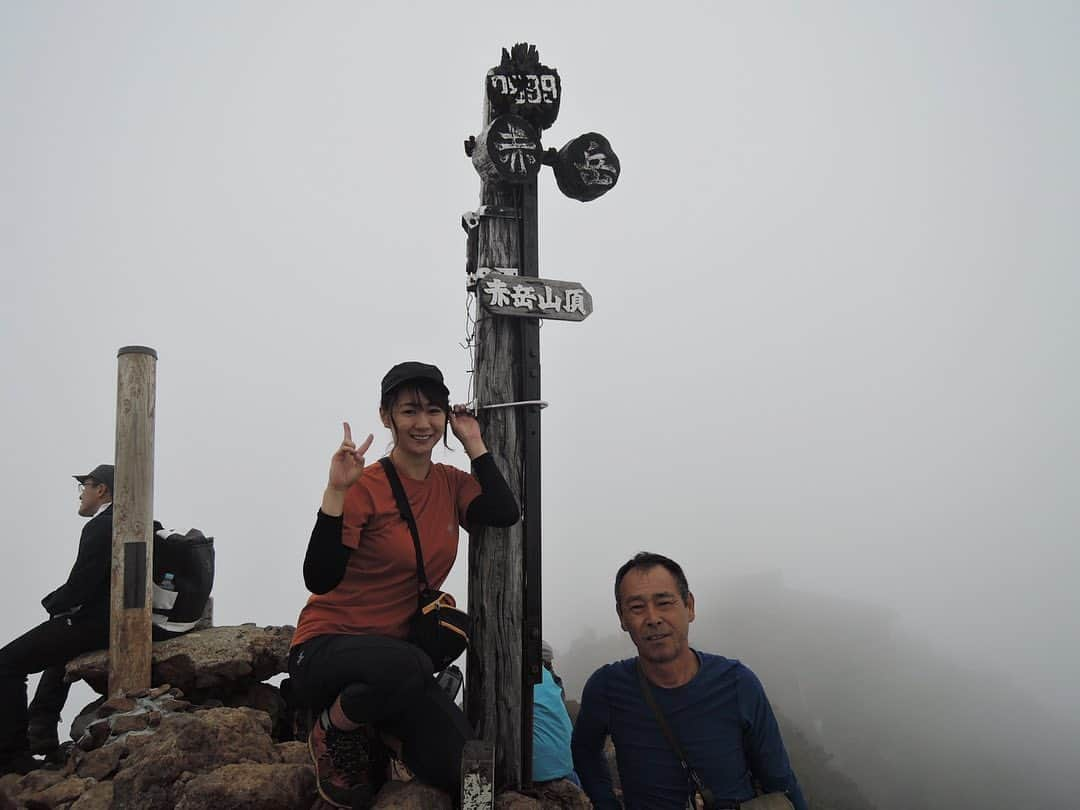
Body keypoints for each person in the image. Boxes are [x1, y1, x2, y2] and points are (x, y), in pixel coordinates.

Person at [287, 361, 519, 809]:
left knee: (475, 773)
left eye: (434, 411)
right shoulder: (365, 485)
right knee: (408, 666)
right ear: (385, 416)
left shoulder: (450, 484)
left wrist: (473, 440)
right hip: (324, 651)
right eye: (410, 410)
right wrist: (336, 492)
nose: (423, 423)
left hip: (397, 669)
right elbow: (318, 577)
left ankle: (378, 726)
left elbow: (503, 512)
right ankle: (331, 729)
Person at [571, 552, 808, 810]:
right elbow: (585, 751)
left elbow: (779, 779)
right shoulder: (606, 688)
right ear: (622, 618)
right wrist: (606, 803)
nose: (652, 618)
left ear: (689, 606)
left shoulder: (738, 683)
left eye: (664, 602)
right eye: (637, 608)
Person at [0, 464, 116, 775]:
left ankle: (12, 757)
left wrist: (52, 602)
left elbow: (80, 587)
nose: (82, 494)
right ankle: (42, 732)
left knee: (6, 663)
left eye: (85, 487)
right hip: (113, 620)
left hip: (96, 623)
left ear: (101, 489)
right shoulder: (133, 521)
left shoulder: (102, 525)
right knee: (55, 646)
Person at [532, 640, 576, 785]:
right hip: (567, 764)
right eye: (549, 663)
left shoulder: (516, 674)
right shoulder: (552, 682)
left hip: (537, 771)